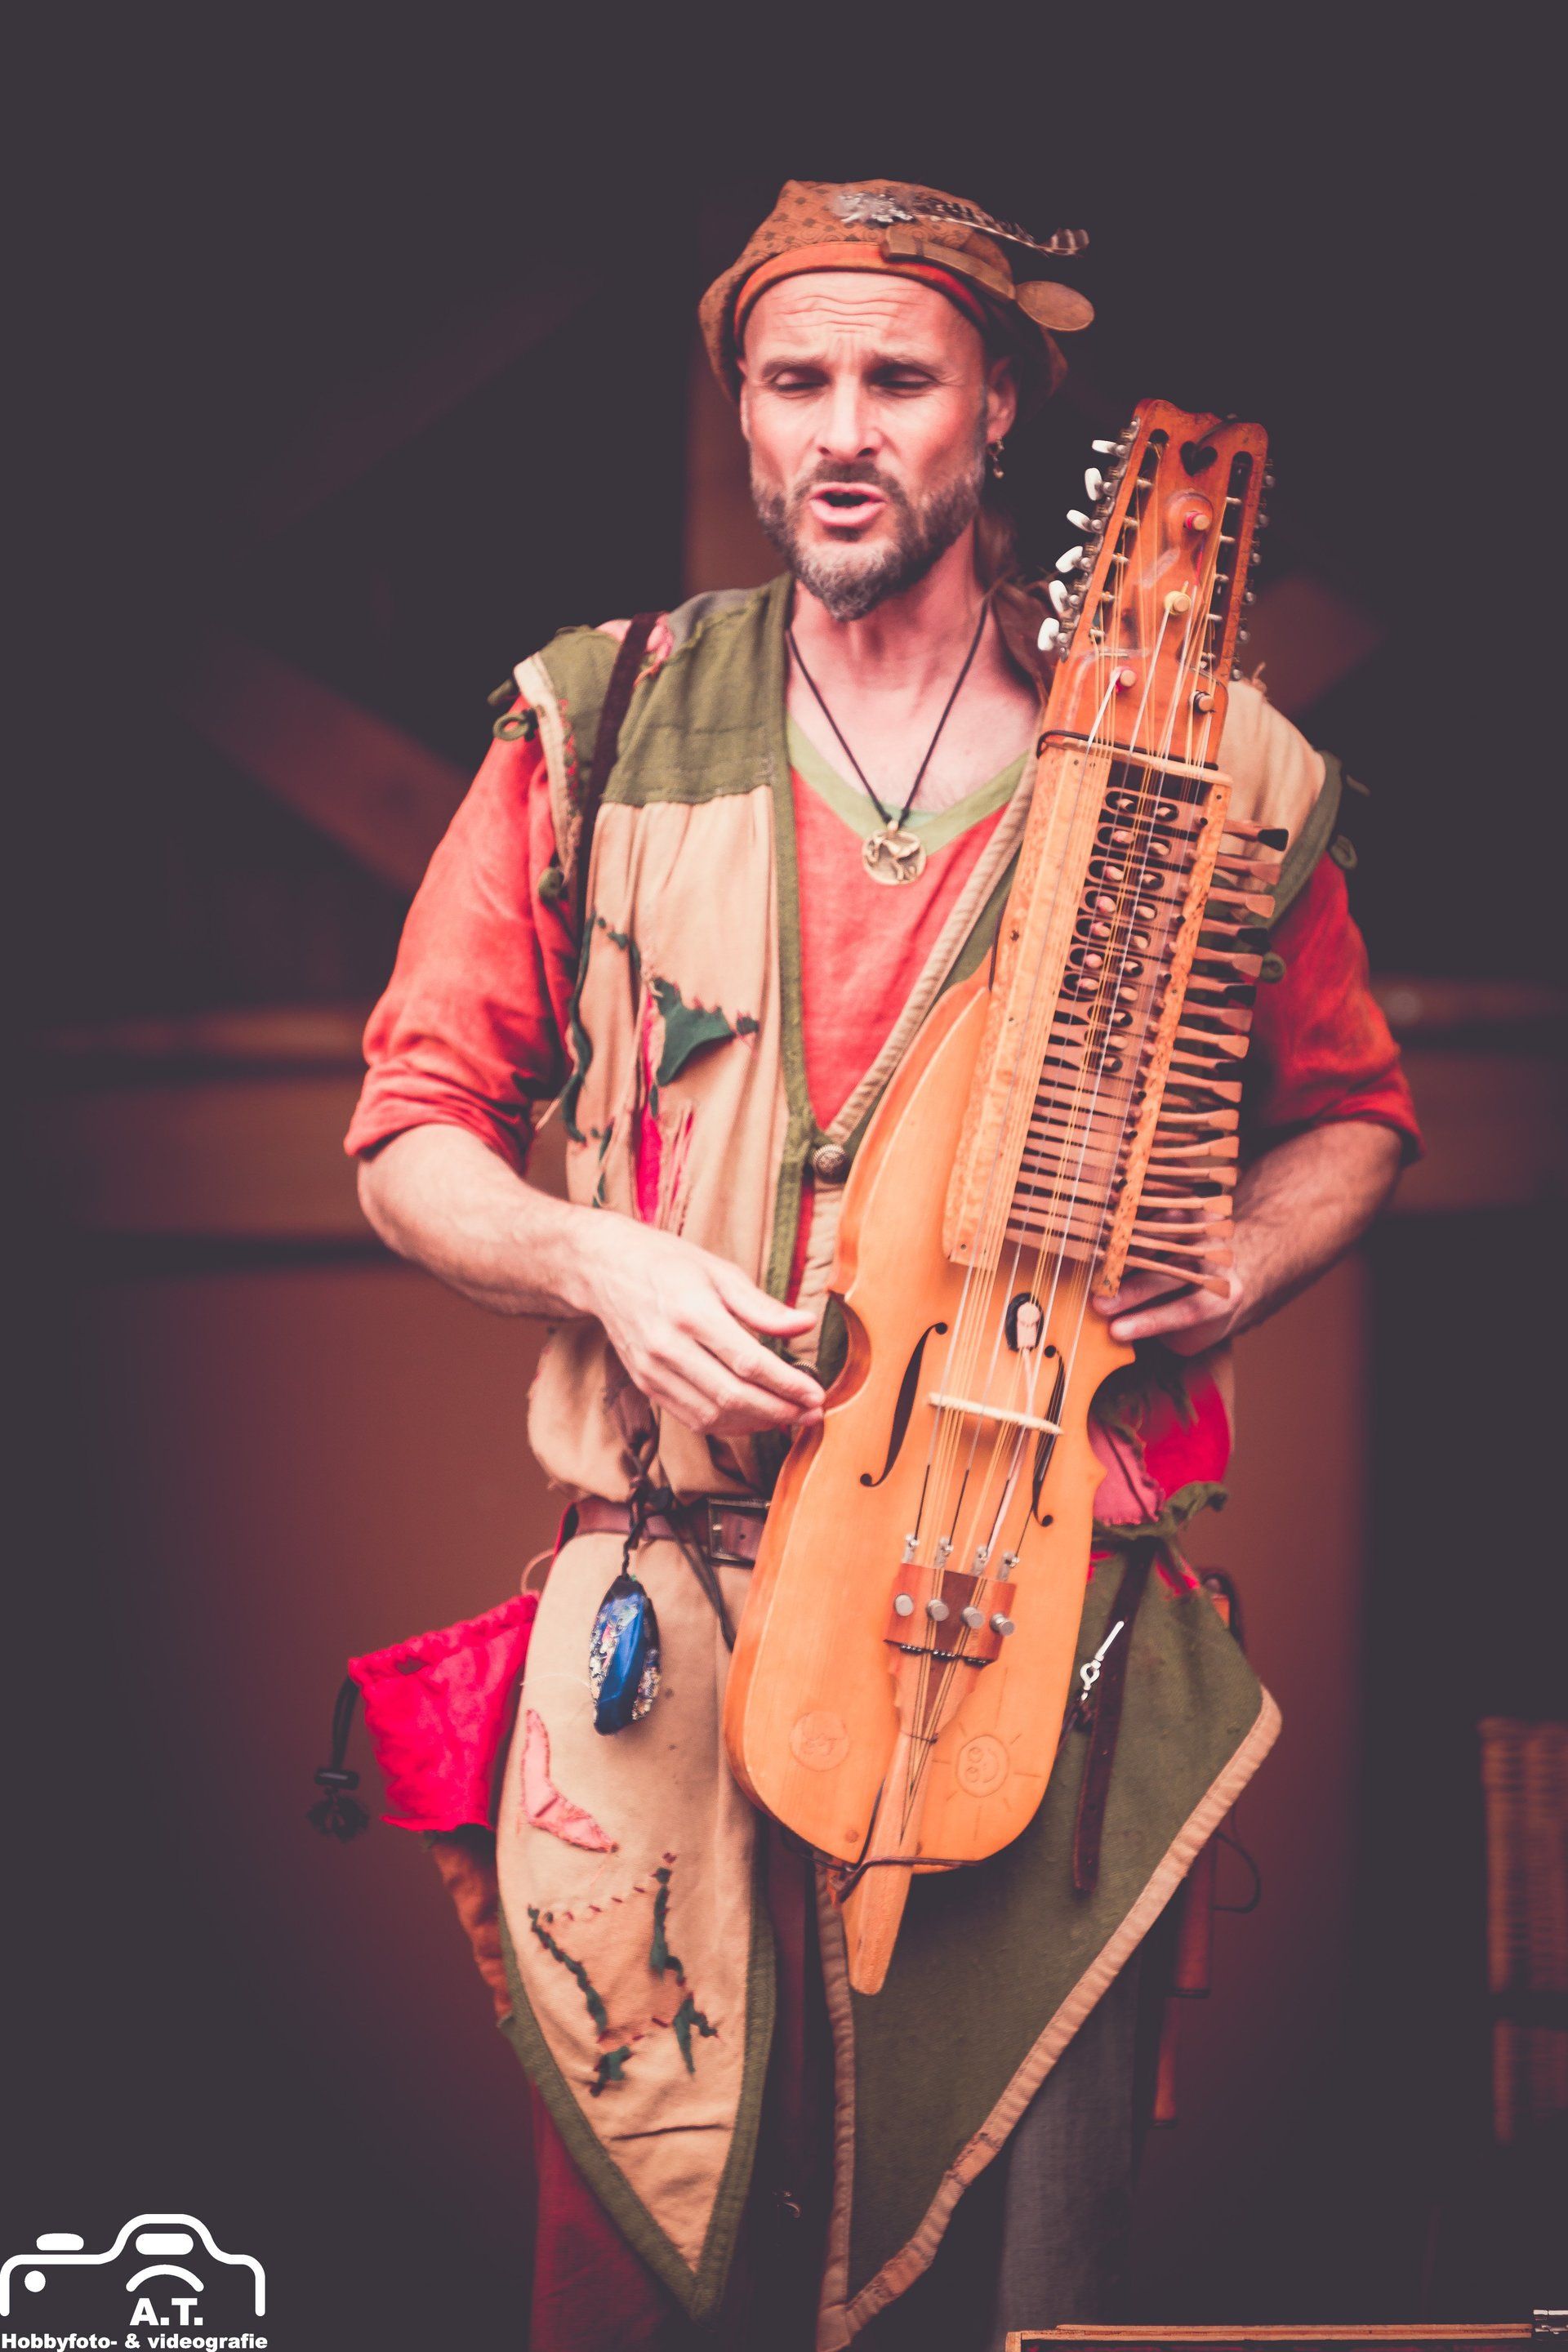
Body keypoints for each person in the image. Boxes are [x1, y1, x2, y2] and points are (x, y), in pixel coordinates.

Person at [345, 180, 1420, 2352]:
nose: (841, 431)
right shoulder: (604, 723)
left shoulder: (1198, 767)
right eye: (794, 380)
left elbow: (1361, 1113)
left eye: (898, 380)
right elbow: (408, 1134)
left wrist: (1247, 1252)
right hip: (678, 1605)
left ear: (997, 405)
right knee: (651, 2251)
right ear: (743, 409)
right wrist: (601, 1262)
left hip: (1034, 1608)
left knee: (1026, 2279)